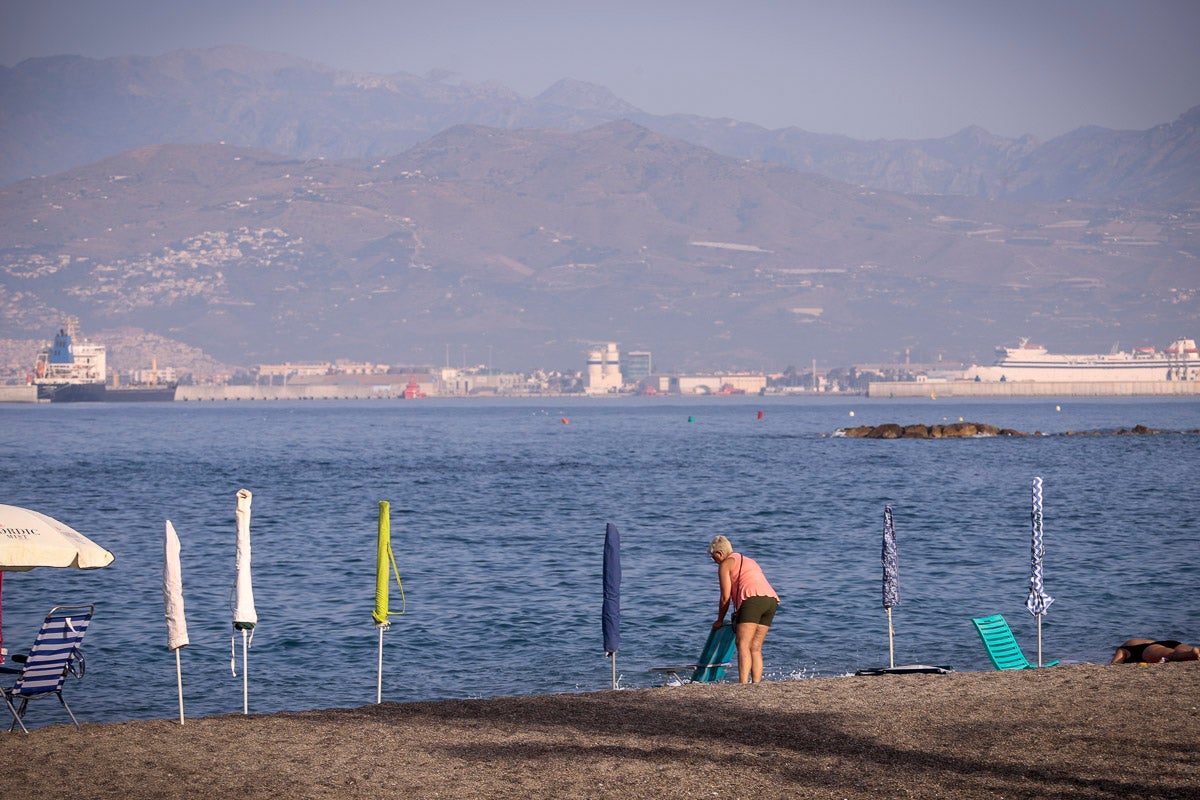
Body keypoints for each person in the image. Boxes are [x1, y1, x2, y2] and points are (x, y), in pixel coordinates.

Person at [709, 535, 780, 684]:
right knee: (755, 647)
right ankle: (756, 684)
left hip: (752, 599)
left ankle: (743, 684)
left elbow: (725, 597)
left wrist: (719, 620)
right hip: (771, 599)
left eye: (713, 556)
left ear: (720, 553)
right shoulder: (749, 560)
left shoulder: (726, 564)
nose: (714, 561)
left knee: (742, 644)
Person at [1110, 639, 1200, 664]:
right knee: (1184, 649)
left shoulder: (1122, 649)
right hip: (1167, 642)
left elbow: (1115, 664)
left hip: (1145, 649)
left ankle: (1191, 653)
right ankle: (1193, 652)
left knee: (1172, 654)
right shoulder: (1132, 642)